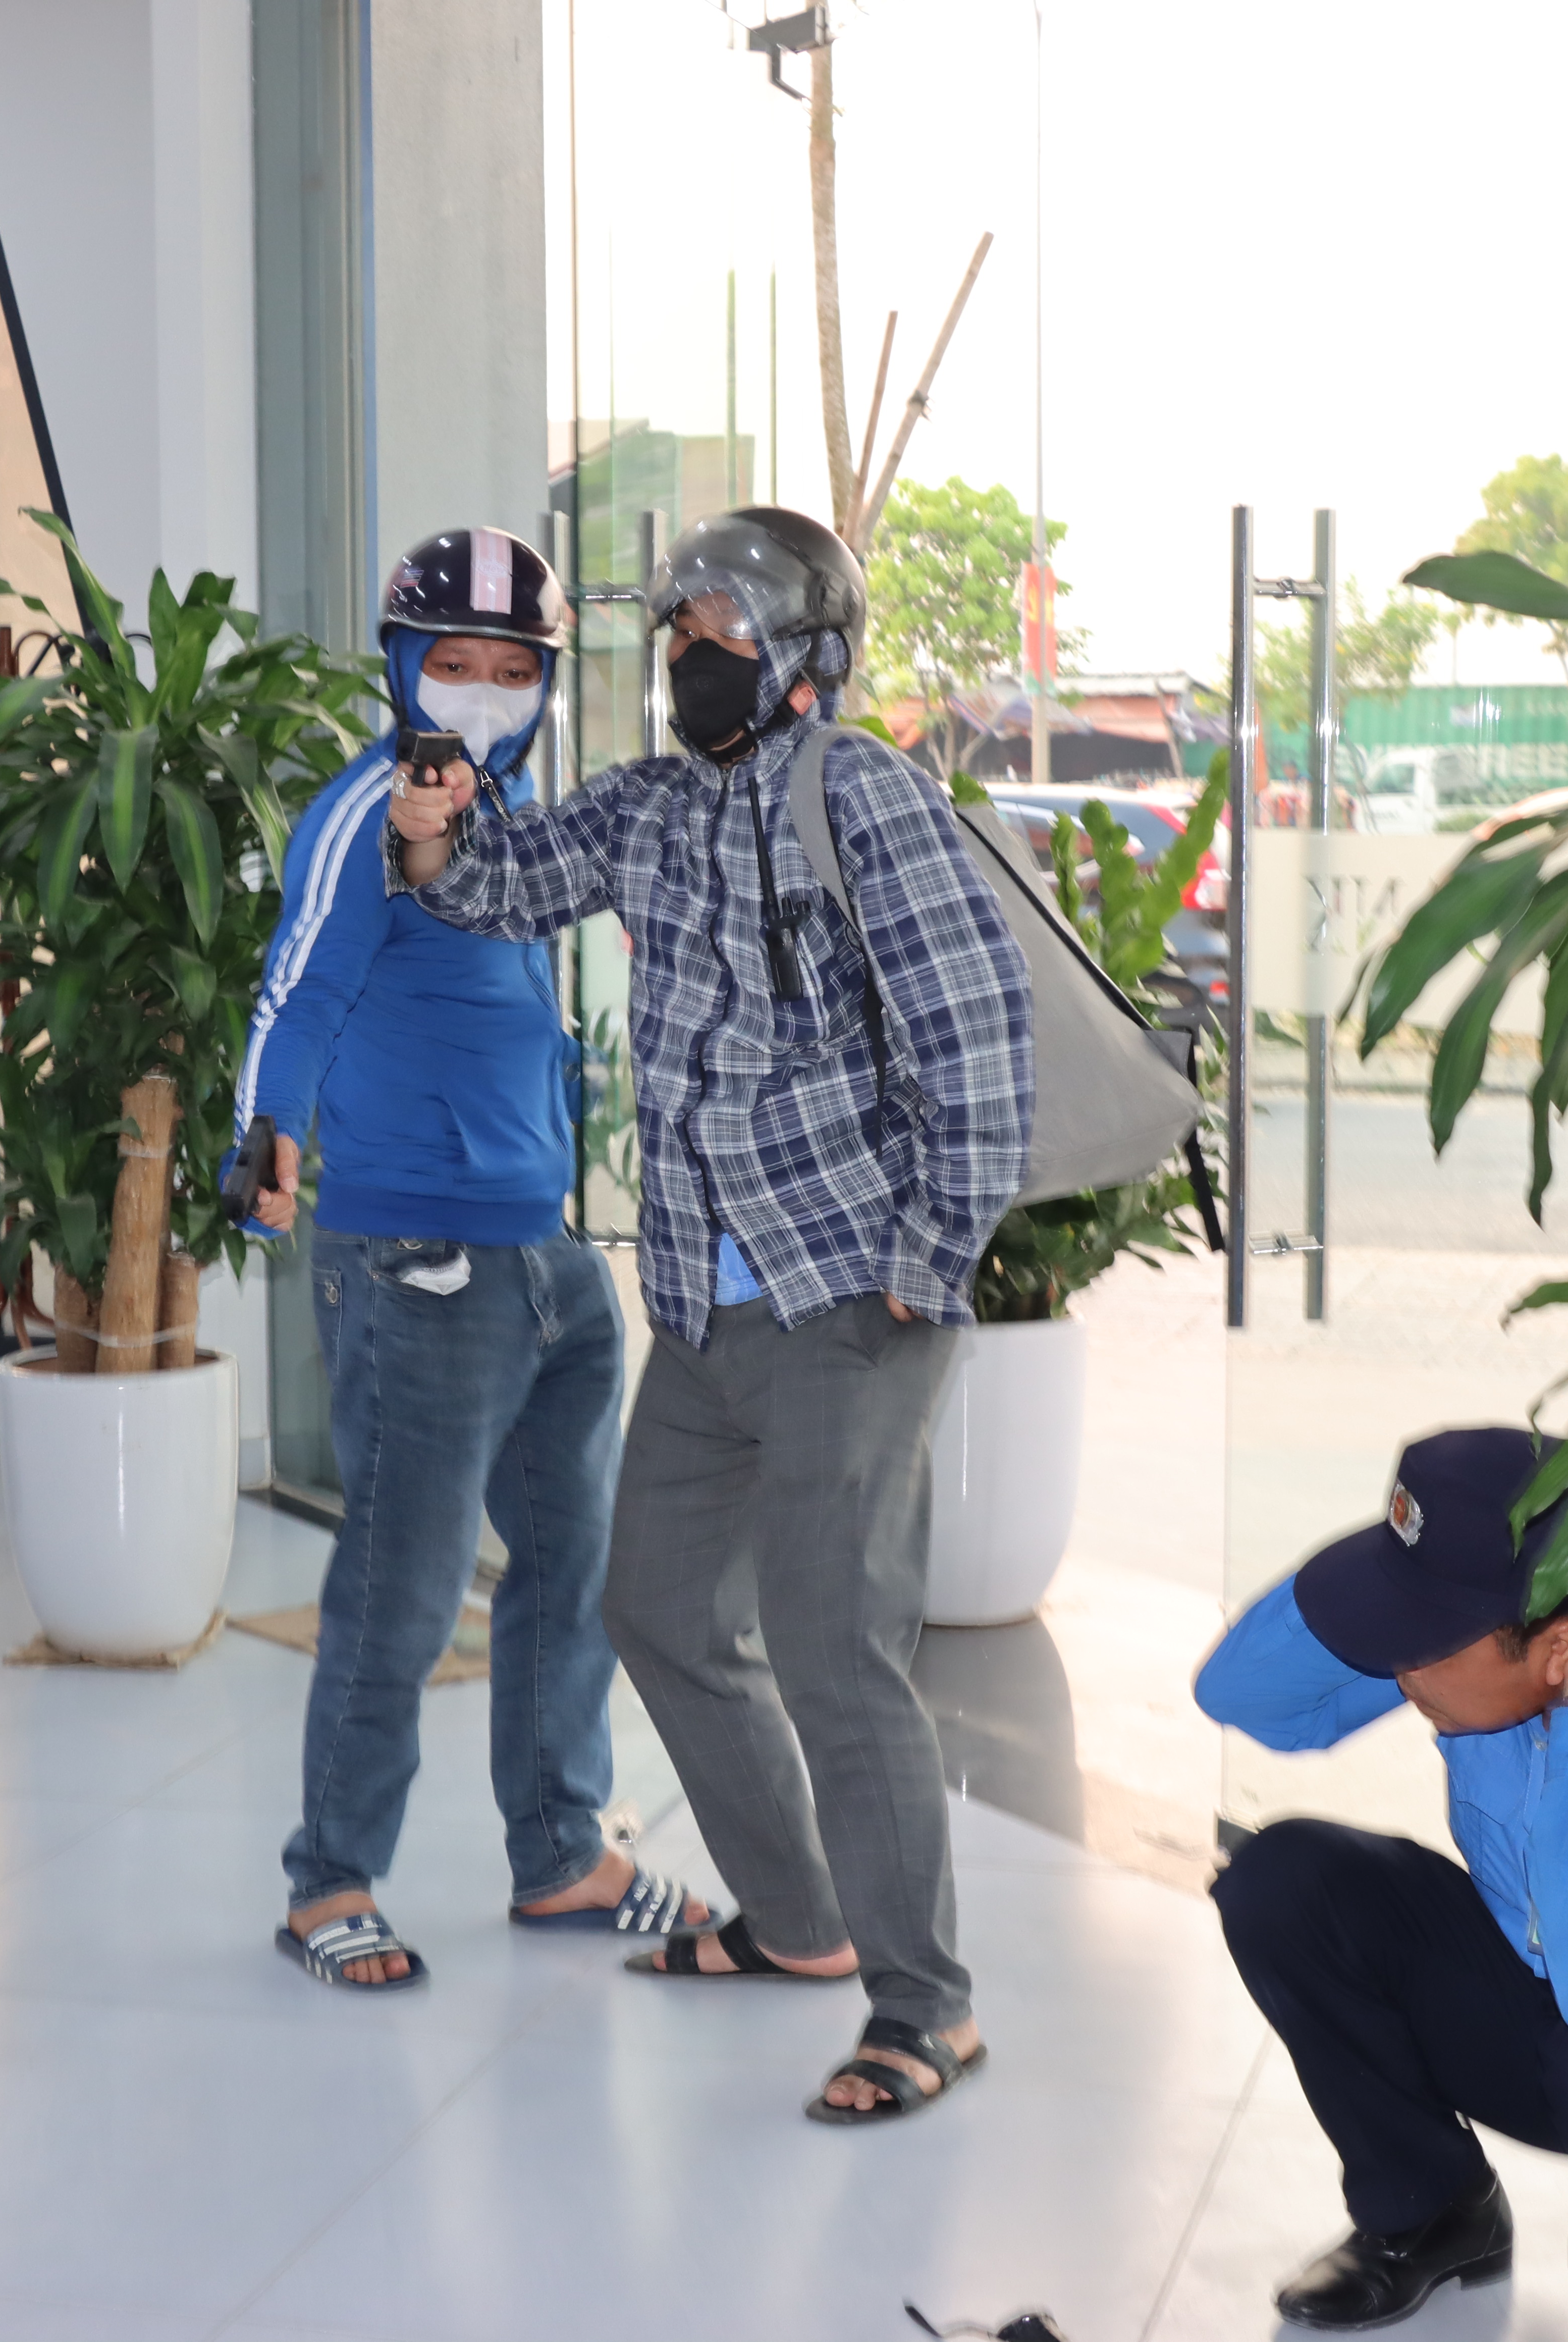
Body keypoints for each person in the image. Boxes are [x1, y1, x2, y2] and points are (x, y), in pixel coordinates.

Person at [389, 506, 1035, 2124]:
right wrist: (433, 837)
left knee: (836, 1648)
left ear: (808, 655)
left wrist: (929, 1254)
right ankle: (801, 1920)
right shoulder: (660, 806)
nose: (690, 654)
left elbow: (977, 1033)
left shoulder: (862, 794)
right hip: (700, 1305)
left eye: (724, 631)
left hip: (848, 1294)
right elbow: (510, 885)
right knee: (660, 1608)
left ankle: (926, 2006)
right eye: (676, 628)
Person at [239, 525, 701, 1992]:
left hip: (543, 1254)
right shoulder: (367, 812)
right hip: (413, 1253)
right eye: (456, 663)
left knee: (572, 1571)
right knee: (405, 1583)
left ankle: (560, 1851)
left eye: (514, 668)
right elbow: (298, 986)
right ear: (400, 666)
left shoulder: (510, 817)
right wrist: (268, 1136)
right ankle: (329, 1881)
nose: (486, 691)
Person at [1194, 1427, 1568, 2342]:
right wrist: (1404, 1566)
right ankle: (1433, 2211)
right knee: (1283, 1883)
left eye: (1424, 1641)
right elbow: (1243, 1698)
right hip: (1551, 2001)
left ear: (1560, 1647)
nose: (1402, 1667)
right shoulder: (1492, 1655)